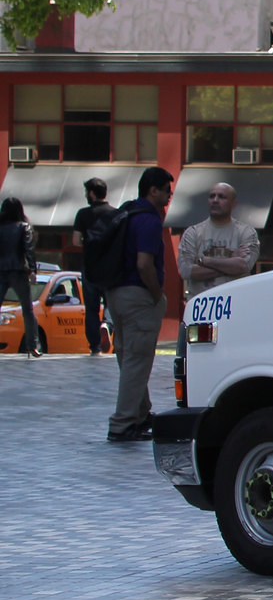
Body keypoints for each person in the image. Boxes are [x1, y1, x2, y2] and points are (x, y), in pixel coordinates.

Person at [106, 167, 173, 443]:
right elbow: (145, 264)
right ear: (153, 190)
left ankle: (140, 414)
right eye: (167, 190)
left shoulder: (126, 212)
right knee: (137, 360)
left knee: (128, 356)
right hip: (139, 296)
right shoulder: (149, 220)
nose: (169, 196)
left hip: (116, 294)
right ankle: (122, 424)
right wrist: (157, 295)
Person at [176, 181, 260, 299]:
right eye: (212, 196)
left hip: (234, 304)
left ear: (233, 203)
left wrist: (203, 260)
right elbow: (186, 271)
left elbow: (244, 266)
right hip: (200, 306)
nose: (215, 200)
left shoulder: (246, 233)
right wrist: (230, 262)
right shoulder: (192, 233)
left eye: (222, 197)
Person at [71, 177, 114, 356]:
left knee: (91, 308)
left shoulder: (83, 214)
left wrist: (88, 245)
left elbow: (75, 241)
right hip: (111, 268)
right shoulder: (116, 213)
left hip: (90, 268)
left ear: (91, 194)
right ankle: (107, 325)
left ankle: (94, 346)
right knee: (111, 303)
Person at [0, 195, 40, 357]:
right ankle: (32, 345)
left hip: (0, 271)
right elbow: (28, 249)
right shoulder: (24, 227)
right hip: (18, 271)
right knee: (28, 311)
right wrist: (32, 270)